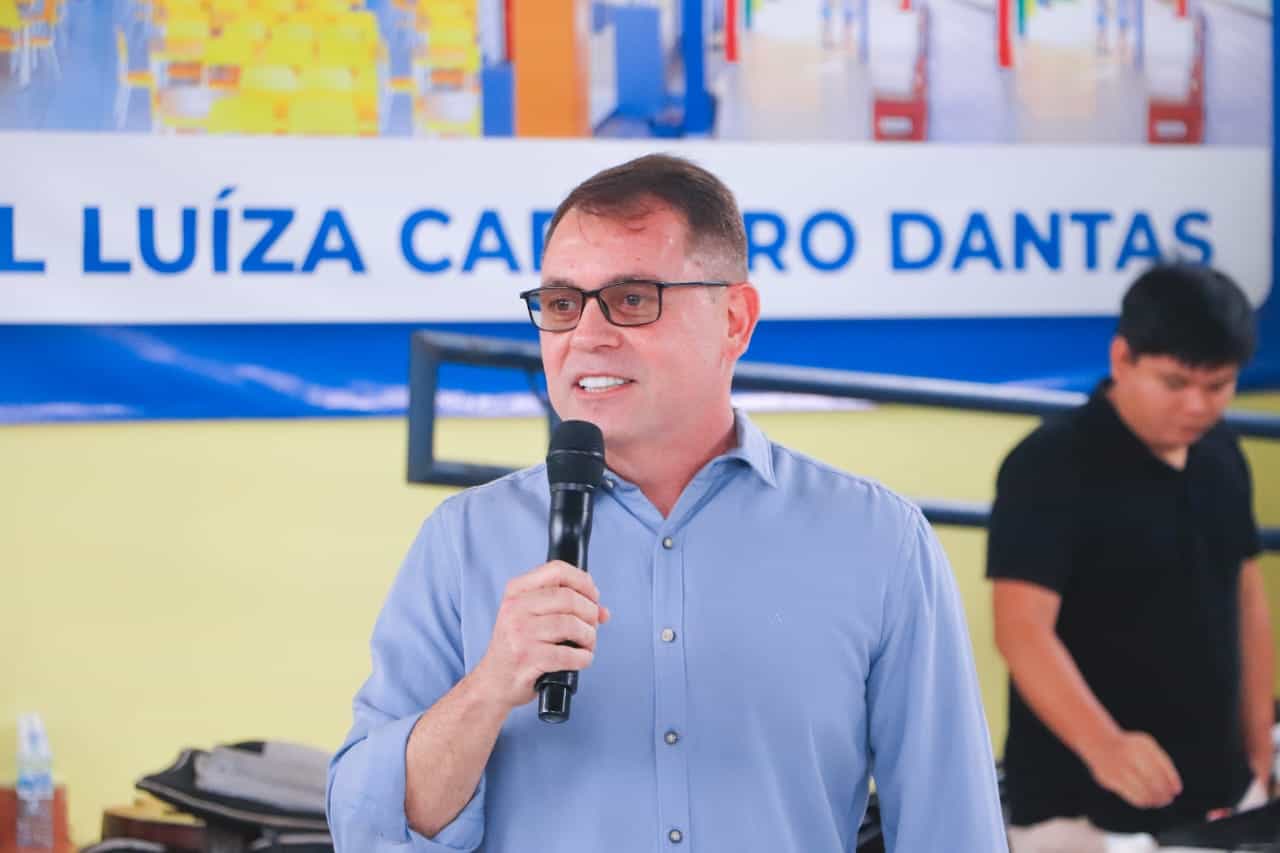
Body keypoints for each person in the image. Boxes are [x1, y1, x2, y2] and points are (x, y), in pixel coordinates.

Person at [327, 153, 1007, 852]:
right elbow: (366, 828)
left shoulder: (877, 541)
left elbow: (952, 830)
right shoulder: (462, 541)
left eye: (631, 299)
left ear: (734, 319)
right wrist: (490, 686)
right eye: (561, 304)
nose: (587, 335)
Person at [987, 263, 1272, 849]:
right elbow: (1021, 630)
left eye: (1218, 386)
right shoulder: (1048, 463)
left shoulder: (1224, 455)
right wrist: (1104, 745)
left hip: (1216, 796)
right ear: (1123, 359)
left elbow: (1247, 602)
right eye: (1175, 383)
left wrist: (1257, 752)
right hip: (1075, 807)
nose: (1197, 405)